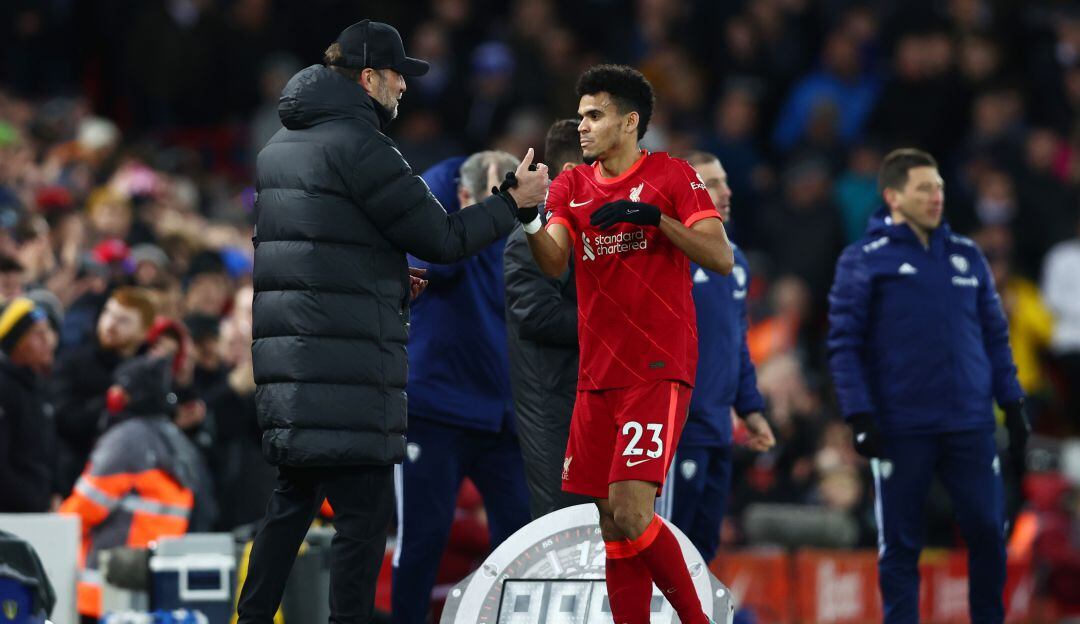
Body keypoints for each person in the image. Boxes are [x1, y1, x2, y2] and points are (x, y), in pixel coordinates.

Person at [239, 19, 548, 624]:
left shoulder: (278, 146)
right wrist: (514, 203)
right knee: (363, 520)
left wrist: (381, 277)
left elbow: (313, 252)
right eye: (398, 75)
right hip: (349, 369)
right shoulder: (362, 146)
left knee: (289, 507)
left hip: (293, 367)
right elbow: (444, 238)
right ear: (368, 76)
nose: (405, 87)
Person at [520, 64, 734, 624]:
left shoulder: (672, 175)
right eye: (582, 115)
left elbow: (721, 256)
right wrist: (525, 220)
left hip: (655, 367)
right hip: (596, 374)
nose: (583, 126)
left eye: (596, 115)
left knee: (633, 511)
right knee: (610, 522)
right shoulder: (572, 183)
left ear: (629, 121)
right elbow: (553, 261)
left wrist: (656, 219)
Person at [827, 148, 1029, 624]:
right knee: (900, 541)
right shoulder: (863, 259)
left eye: (938, 187)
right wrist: (859, 414)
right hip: (901, 425)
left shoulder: (966, 254)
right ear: (894, 196)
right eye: (924, 188)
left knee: (987, 530)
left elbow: (995, 336)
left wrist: (1012, 400)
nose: (936, 196)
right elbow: (843, 344)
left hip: (970, 423)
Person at [392, 152, 531, 624]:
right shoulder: (437, 213)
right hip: (435, 414)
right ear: (463, 195)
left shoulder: (526, 229)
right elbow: (437, 264)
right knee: (422, 542)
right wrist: (481, 213)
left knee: (521, 547)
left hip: (501, 418)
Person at [655, 151, 775, 562]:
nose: (725, 191)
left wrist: (751, 408)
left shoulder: (735, 262)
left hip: (718, 432)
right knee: (667, 551)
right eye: (711, 183)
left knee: (701, 553)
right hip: (676, 433)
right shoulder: (664, 257)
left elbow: (735, 342)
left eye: (723, 181)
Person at [60, 355, 210, 620]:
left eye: (121, 387)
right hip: (152, 591)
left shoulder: (126, 441)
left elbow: (81, 511)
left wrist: (50, 531)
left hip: (106, 591)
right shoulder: (177, 442)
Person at [505, 119, 591, 519]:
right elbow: (536, 314)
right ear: (574, 172)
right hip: (555, 409)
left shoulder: (590, 228)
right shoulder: (535, 233)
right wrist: (614, 323)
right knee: (567, 529)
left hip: (589, 401)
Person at [51, 286, 156, 495]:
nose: (111, 324)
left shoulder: (149, 374)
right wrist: (110, 401)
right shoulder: (73, 363)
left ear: (144, 332)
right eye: (108, 314)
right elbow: (64, 418)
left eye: (123, 320)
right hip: (78, 479)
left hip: (134, 483)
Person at [0, 297, 58, 513]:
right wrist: (30, 500)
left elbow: (49, 448)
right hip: (10, 515)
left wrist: (54, 490)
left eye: (48, 332)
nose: (48, 341)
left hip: (37, 510)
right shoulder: (4, 387)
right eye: (38, 334)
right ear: (17, 342)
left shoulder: (37, 384)